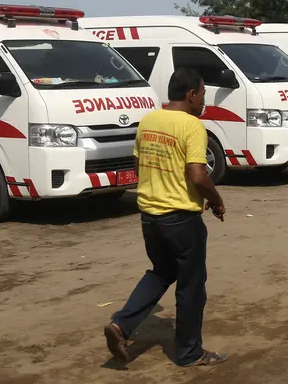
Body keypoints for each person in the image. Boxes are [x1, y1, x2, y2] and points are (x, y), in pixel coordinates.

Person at [103, 68, 228, 367]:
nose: (204, 102)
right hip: (181, 219)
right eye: (203, 95)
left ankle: (121, 324)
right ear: (191, 95)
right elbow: (198, 175)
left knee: (161, 272)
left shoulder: (148, 120)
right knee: (191, 285)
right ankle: (189, 353)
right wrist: (217, 200)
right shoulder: (192, 126)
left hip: (149, 216)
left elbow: (138, 161)